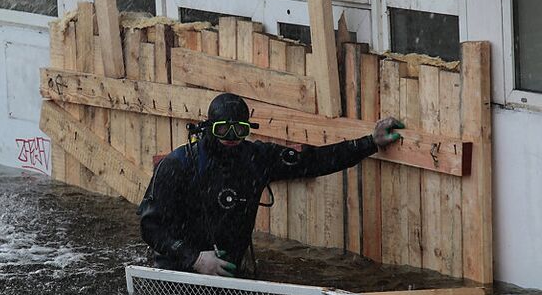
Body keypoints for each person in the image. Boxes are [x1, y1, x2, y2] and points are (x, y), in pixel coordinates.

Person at [138, 93, 403, 277]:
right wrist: (194, 259)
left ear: (247, 130)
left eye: (239, 130)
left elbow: (315, 160)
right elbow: (150, 227)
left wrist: (370, 142)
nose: (231, 138)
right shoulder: (178, 165)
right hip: (178, 274)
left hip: (228, 274)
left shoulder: (256, 158)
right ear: (208, 128)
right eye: (223, 130)